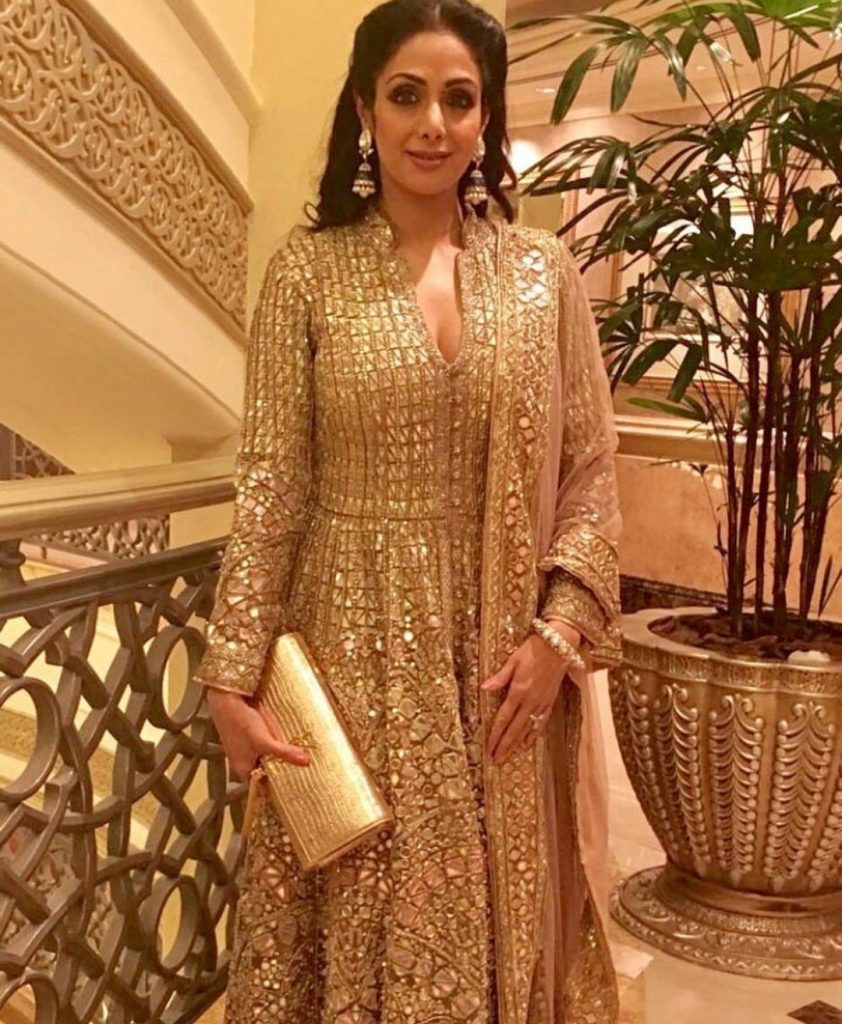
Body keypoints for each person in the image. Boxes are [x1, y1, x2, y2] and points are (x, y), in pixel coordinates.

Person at [193, 1, 623, 1021]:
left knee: (481, 914)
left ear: (485, 117)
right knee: (355, 900)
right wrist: (229, 677)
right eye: (406, 95)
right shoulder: (306, 272)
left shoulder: (540, 275)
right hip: (346, 649)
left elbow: (592, 469)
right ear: (364, 110)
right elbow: (272, 481)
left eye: (458, 99)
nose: (432, 123)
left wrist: (558, 634)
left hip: (496, 659)